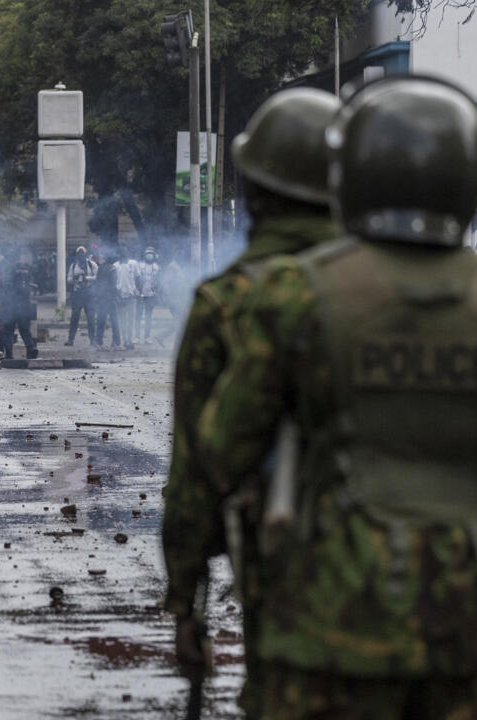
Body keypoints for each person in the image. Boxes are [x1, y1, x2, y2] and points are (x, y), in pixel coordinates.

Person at [198, 76, 477, 720]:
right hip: (469, 639)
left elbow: (221, 448)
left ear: (352, 176)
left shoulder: (294, 294)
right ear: (470, 181)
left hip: (325, 634)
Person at [163, 87, 341, 720]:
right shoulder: (404, 293)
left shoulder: (227, 300)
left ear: (254, 191)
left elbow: (196, 470)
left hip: (286, 573)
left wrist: (187, 604)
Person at [0, 254, 39, 360]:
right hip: (25, 307)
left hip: (12, 307)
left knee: (8, 331)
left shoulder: (10, 272)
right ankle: (31, 349)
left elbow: (6, 289)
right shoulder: (26, 273)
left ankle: (9, 354)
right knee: (25, 330)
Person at [65, 245, 97, 345]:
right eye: (79, 254)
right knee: (74, 317)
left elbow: (97, 276)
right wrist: (75, 279)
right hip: (77, 293)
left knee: (91, 318)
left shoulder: (92, 264)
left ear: (85, 255)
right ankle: (70, 339)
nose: (81, 256)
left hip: (89, 293)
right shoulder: (73, 266)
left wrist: (87, 278)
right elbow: (68, 279)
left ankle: (93, 340)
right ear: (77, 256)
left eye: (82, 254)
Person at [91, 250, 122, 348]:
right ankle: (116, 343)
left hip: (101, 298)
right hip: (110, 298)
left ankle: (98, 343)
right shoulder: (112, 269)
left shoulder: (100, 267)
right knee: (115, 322)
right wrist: (117, 295)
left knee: (101, 321)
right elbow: (113, 285)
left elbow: (97, 283)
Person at [115, 251, 140, 348]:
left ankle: (130, 340)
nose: (123, 256)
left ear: (127, 255)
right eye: (121, 254)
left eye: (124, 254)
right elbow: (114, 281)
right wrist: (117, 295)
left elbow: (138, 278)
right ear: (119, 255)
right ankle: (124, 340)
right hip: (120, 296)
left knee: (131, 319)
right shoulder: (116, 266)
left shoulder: (133, 264)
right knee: (122, 320)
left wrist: (137, 291)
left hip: (131, 296)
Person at [137, 247, 161, 343]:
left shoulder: (156, 267)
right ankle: (137, 337)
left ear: (154, 256)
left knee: (148, 316)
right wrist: (137, 289)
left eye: (151, 254)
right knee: (138, 316)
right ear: (144, 255)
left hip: (151, 295)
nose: (149, 256)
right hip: (140, 294)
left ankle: (147, 337)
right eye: (148, 254)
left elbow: (158, 280)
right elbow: (136, 278)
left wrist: (156, 290)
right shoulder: (139, 265)